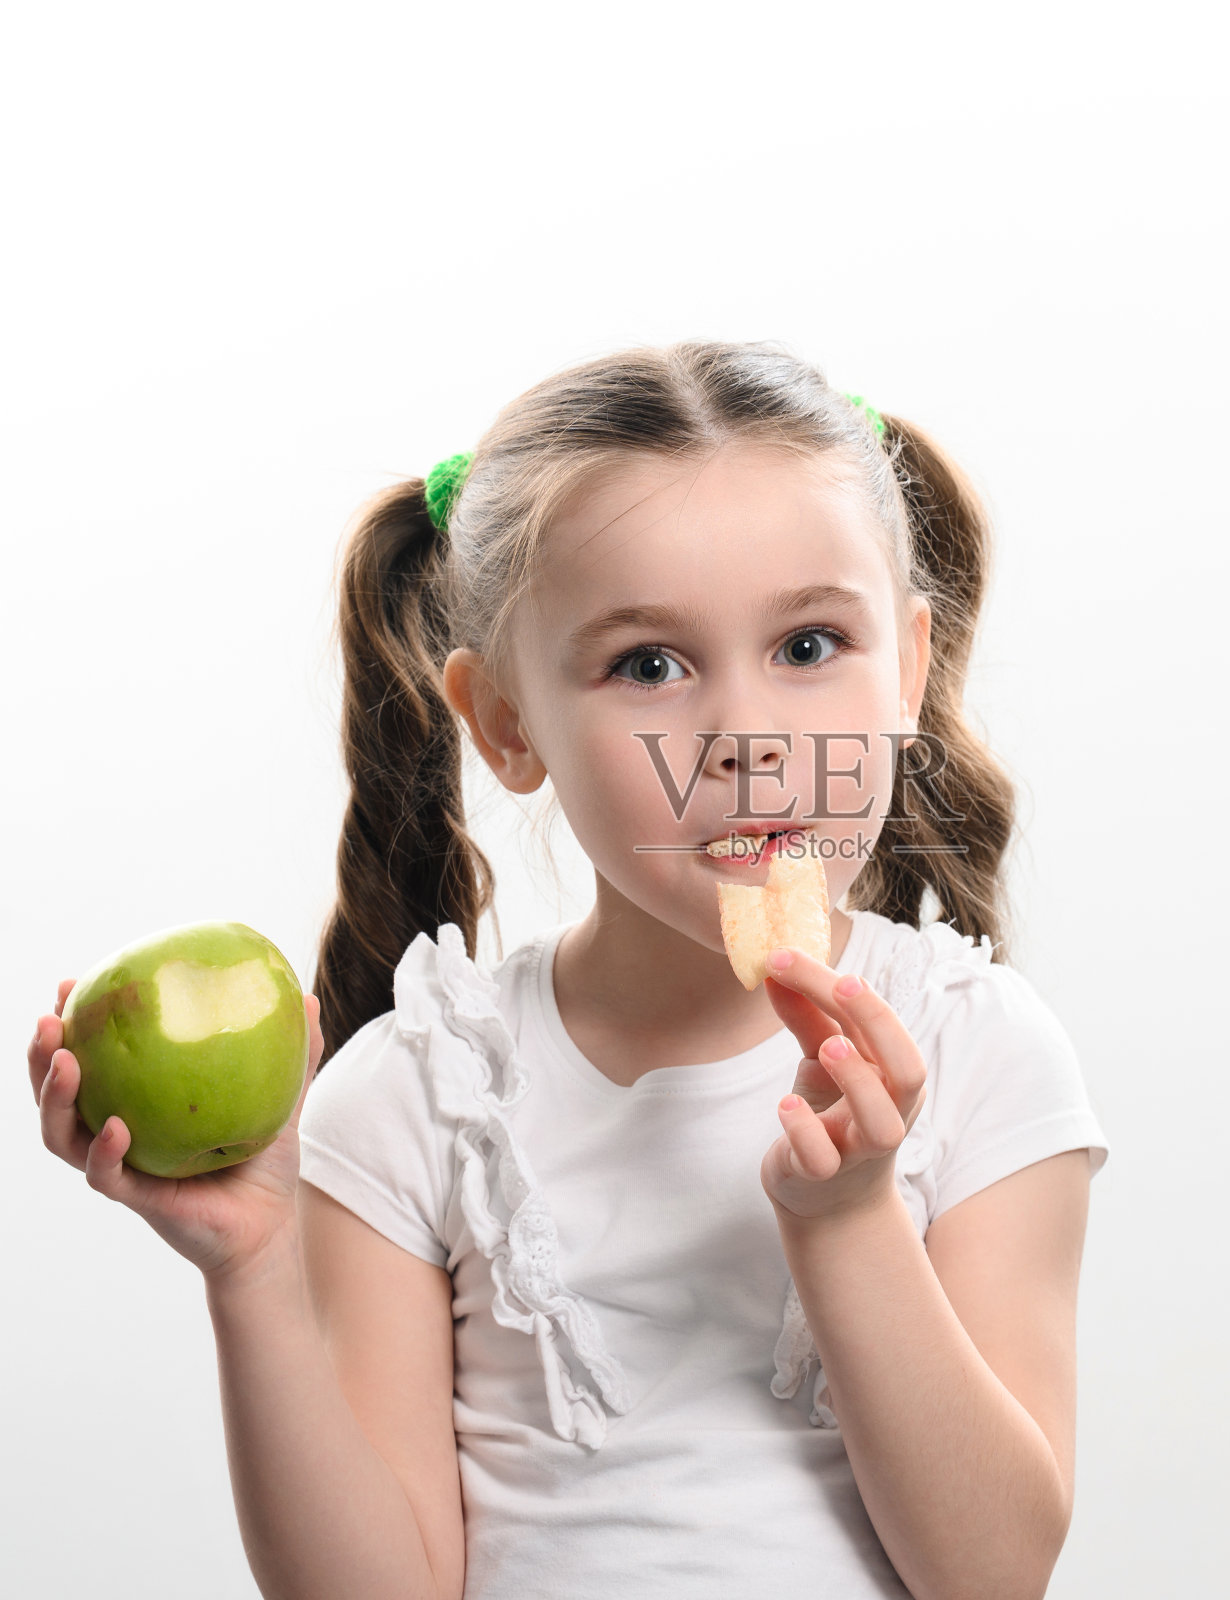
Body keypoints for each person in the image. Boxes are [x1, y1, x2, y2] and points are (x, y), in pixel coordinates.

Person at [29, 340, 1110, 1600]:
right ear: (504, 724)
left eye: (810, 644)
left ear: (911, 668)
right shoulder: (420, 1091)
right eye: (649, 665)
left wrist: (854, 1217)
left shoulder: (982, 1050)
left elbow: (995, 1574)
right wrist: (258, 1271)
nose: (748, 739)